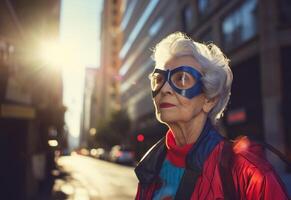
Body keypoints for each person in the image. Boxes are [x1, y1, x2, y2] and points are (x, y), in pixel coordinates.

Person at [134, 32, 289, 200]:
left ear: (209, 99)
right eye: (159, 79)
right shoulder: (150, 167)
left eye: (182, 79)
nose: (164, 89)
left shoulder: (250, 174)